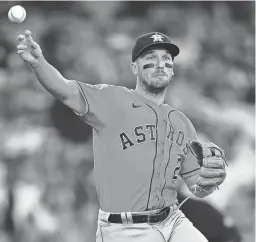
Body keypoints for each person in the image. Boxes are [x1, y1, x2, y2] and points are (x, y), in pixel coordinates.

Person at [16, 30, 227, 242]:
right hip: (124, 227)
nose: (160, 64)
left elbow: (195, 186)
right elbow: (64, 89)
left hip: (170, 220)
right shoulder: (110, 100)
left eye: (166, 59)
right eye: (151, 58)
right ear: (134, 67)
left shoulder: (182, 123)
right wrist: (38, 63)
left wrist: (209, 180)